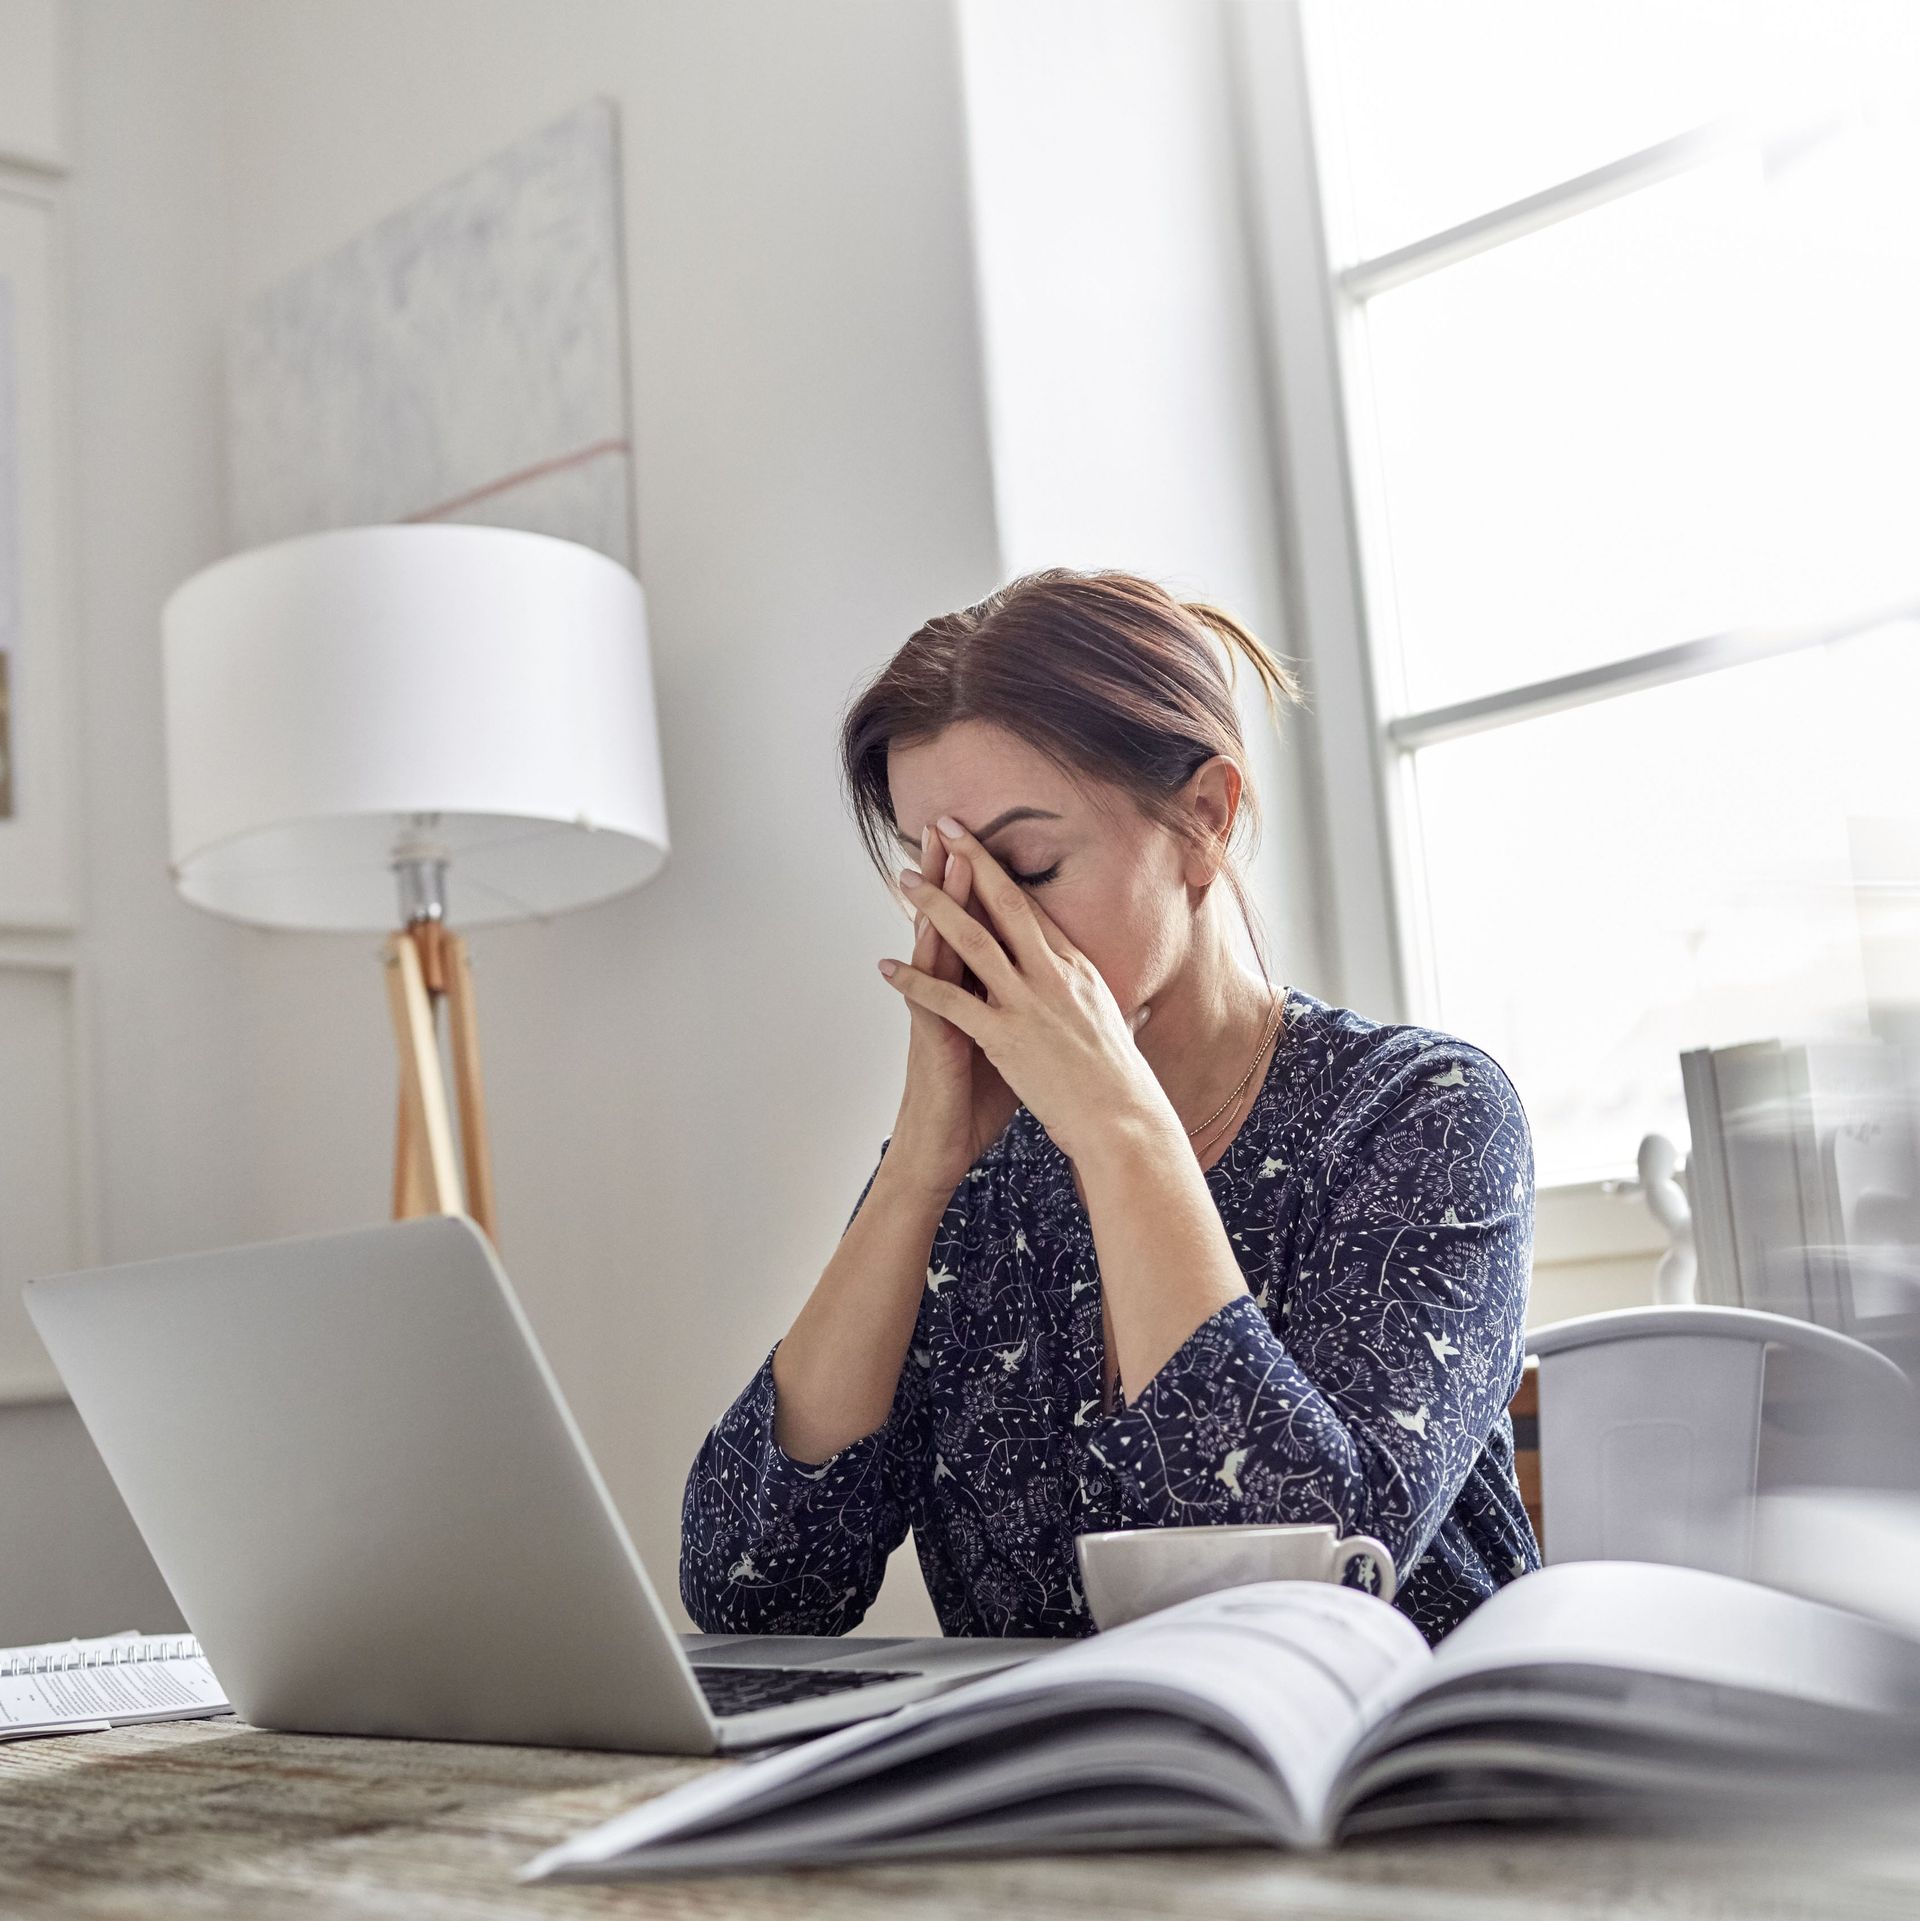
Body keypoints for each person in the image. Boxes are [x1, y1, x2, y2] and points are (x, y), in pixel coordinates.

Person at [681, 568, 1538, 1645]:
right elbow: (750, 1591)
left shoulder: (1424, 1115)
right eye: (939, 880)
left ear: (1205, 819)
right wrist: (914, 1175)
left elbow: (1308, 1576)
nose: (978, 929)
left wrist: (1120, 1130)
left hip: (1379, 1744)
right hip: (1057, 1756)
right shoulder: (971, 1177)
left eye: (1027, 866)